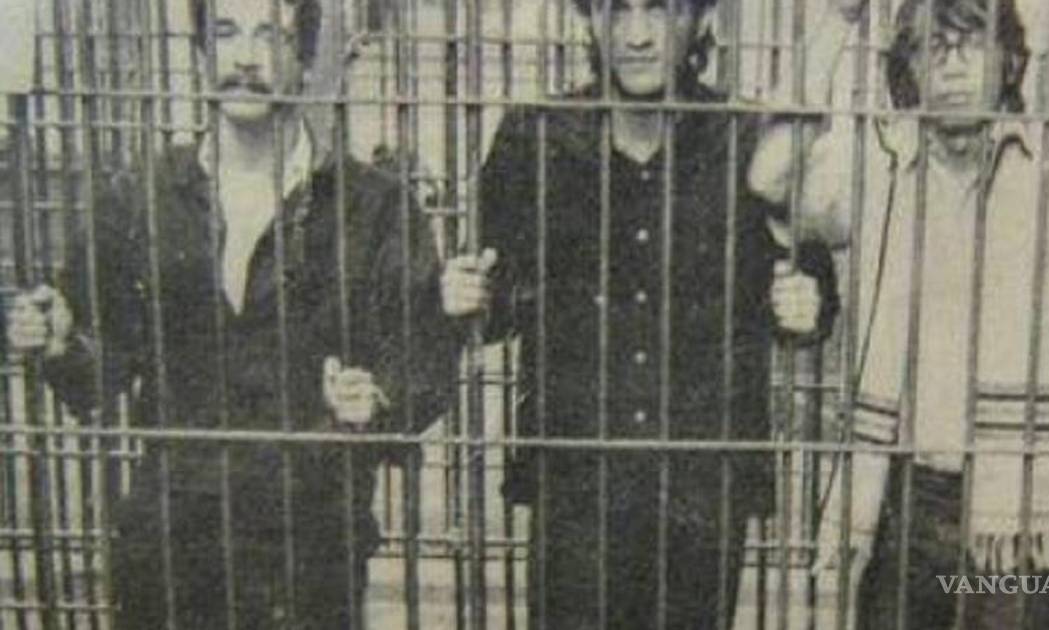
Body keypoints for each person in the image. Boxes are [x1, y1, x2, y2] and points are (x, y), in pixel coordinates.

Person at [2, 0, 455, 627]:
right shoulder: (141, 196)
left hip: (310, 545)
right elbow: (99, 376)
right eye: (225, 32)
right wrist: (60, 344)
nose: (245, 58)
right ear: (199, 53)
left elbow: (424, 354)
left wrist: (375, 401)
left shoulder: (373, 207)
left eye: (270, 35)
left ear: (304, 59)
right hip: (171, 544)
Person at [439, 0, 843, 627]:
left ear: (700, 20)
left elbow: (811, 286)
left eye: (659, 10)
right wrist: (465, 295)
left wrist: (803, 307)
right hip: (577, 483)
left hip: (701, 487)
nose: (635, 35)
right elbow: (492, 295)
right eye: (615, 9)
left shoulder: (746, 139)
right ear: (589, 20)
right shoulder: (535, 134)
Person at [751, 0, 1049, 626]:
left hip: (1023, 502)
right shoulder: (875, 167)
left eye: (972, 43)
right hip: (902, 497)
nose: (953, 65)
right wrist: (838, 20)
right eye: (932, 47)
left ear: (1010, 62)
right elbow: (770, 175)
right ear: (908, 70)